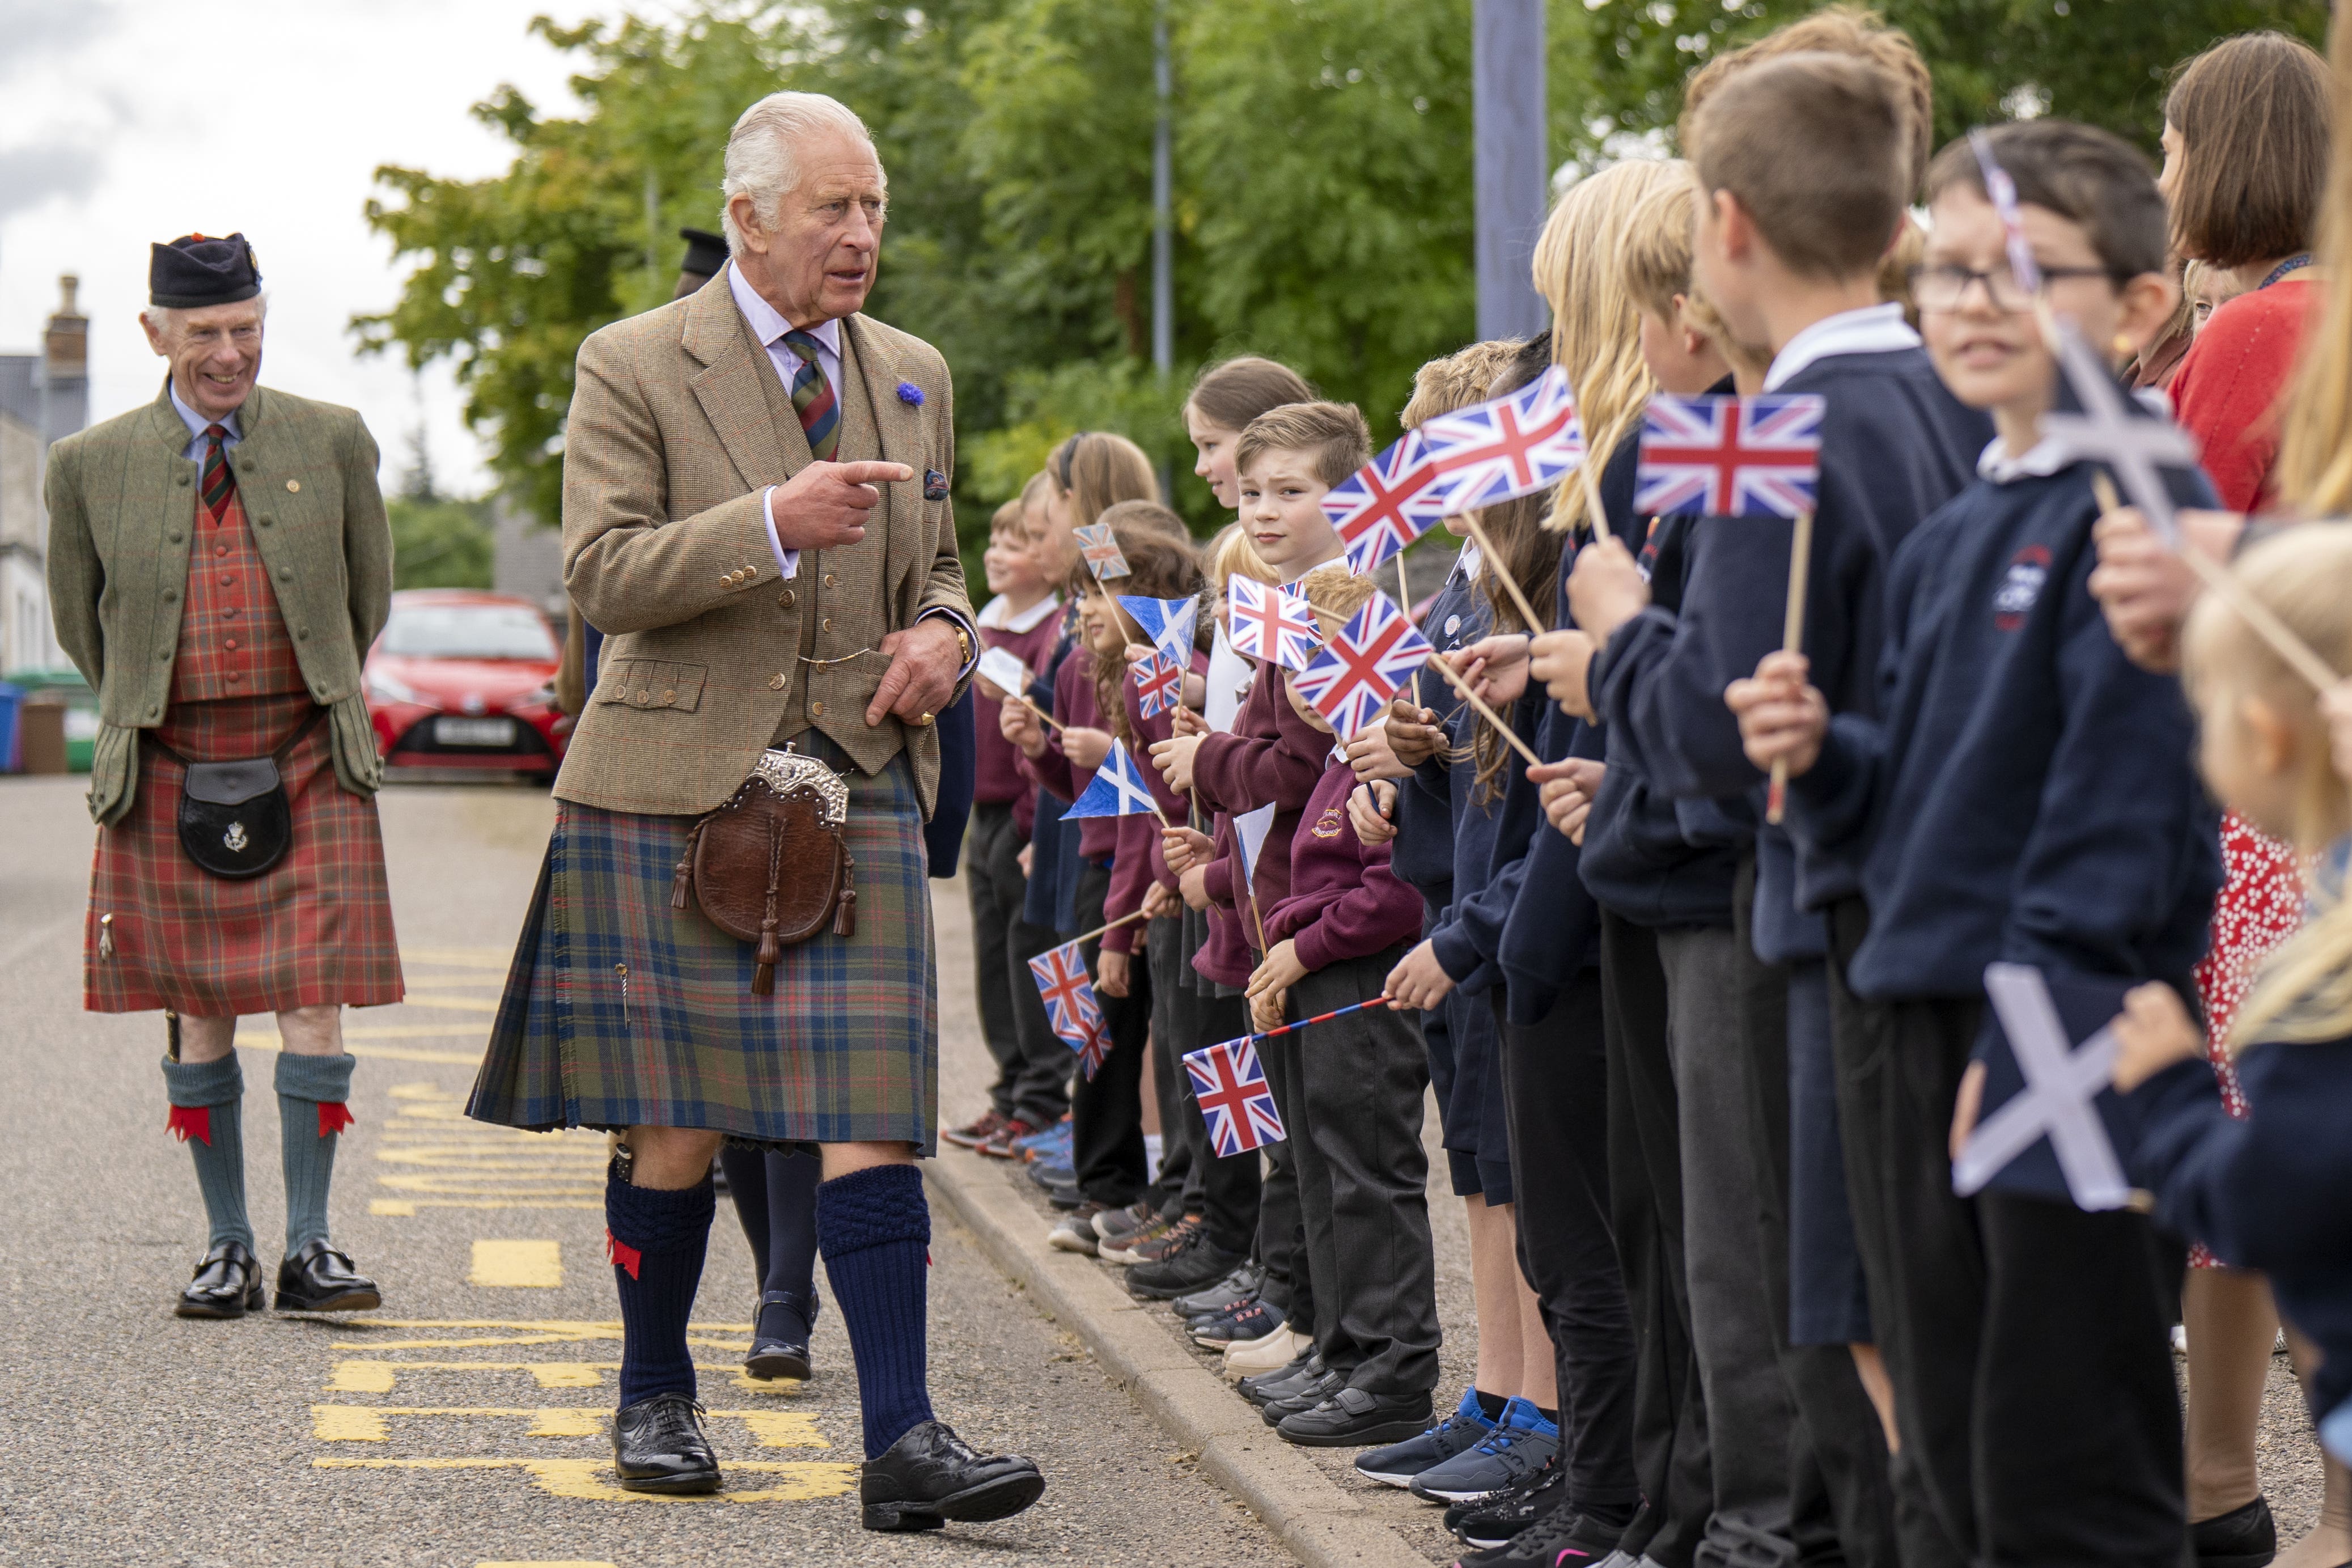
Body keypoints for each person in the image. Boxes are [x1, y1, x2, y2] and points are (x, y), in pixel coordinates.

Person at [465, 90, 1045, 1529]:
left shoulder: (911, 370)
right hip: (668, 790)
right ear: (748, 217)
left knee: (872, 1117)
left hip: (848, 789)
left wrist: (950, 642)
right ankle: (654, 1392)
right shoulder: (634, 363)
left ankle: (902, 1442)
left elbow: (949, 564)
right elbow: (600, 576)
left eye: (873, 209)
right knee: (673, 1127)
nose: (859, 237)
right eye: (831, 210)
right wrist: (772, 524)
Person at [1730, 117, 2215, 1564]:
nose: (1971, 305)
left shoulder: (2140, 504)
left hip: (2053, 1023)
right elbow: (1926, 786)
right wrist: (1821, 758)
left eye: (2020, 272)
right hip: (1909, 1002)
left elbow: (2120, 807)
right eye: (1943, 273)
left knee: (2059, 1449)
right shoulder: (1956, 528)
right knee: (1938, 1446)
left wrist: (2035, 1027)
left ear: (2136, 306)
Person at [1573, 40, 1990, 1568]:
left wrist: (1621, 628)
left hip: (1829, 937)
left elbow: (1718, 737)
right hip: (1960, 929)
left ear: (1727, 227)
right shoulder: (1963, 392)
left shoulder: (1765, 435)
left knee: (1845, 1346)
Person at [46, 232, 397, 1320]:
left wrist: (315, 690)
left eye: (245, 329)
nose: (229, 353)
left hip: (306, 750)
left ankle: (311, 1246)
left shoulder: (332, 439)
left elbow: (366, 595)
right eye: (205, 334)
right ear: (157, 334)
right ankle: (226, 1245)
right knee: (197, 1014)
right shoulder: (88, 464)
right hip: (169, 758)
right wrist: (155, 705)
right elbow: (79, 622)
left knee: (313, 1005)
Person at [2116, 523, 2352, 1546]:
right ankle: (2219, 1487)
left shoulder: (2321, 976)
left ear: (2262, 735)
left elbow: (2272, 1192)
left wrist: (2164, 1101)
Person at [1156, 401, 1366, 1410]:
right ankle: (1323, 1339)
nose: (1264, 509)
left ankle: (1366, 1357)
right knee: (1303, 1150)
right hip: (1269, 904)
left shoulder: (1335, 606)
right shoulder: (1276, 603)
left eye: (1289, 490)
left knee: (1346, 1163)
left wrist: (1206, 756)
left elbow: (1295, 765)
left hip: (1321, 917)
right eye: (1252, 493)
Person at [1243, 562, 1440, 1448]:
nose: (1309, 685)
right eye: (1298, 667)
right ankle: (1340, 1346)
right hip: (1316, 976)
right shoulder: (1334, 758)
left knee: (1367, 1171)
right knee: (1321, 1166)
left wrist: (1301, 945)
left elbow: (1392, 898)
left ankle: (1393, 1365)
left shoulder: (1379, 765)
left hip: (1363, 983)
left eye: (1328, 663)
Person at [945, 486, 1066, 1155]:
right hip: (983, 811)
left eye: (1018, 543)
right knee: (993, 959)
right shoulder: (984, 622)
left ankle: (1043, 1096)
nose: (997, 553)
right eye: (995, 540)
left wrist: (1027, 821)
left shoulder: (1051, 630)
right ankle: (1010, 1087)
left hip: (1024, 813)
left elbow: (1040, 731)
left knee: (1030, 959)